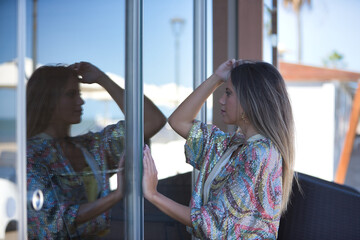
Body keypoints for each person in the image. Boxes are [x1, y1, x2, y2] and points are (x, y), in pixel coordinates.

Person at [142, 59, 295, 239]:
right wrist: (216, 78)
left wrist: (153, 195)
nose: (221, 100)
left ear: (249, 100)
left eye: (228, 93)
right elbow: (178, 121)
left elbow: (212, 224)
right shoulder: (234, 146)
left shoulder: (260, 154)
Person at [26, 62, 166, 239]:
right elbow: (51, 221)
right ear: (48, 101)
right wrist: (114, 197)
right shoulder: (31, 155)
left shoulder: (89, 146)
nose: (81, 101)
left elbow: (152, 121)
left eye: (79, 93)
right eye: (71, 94)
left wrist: (103, 79)